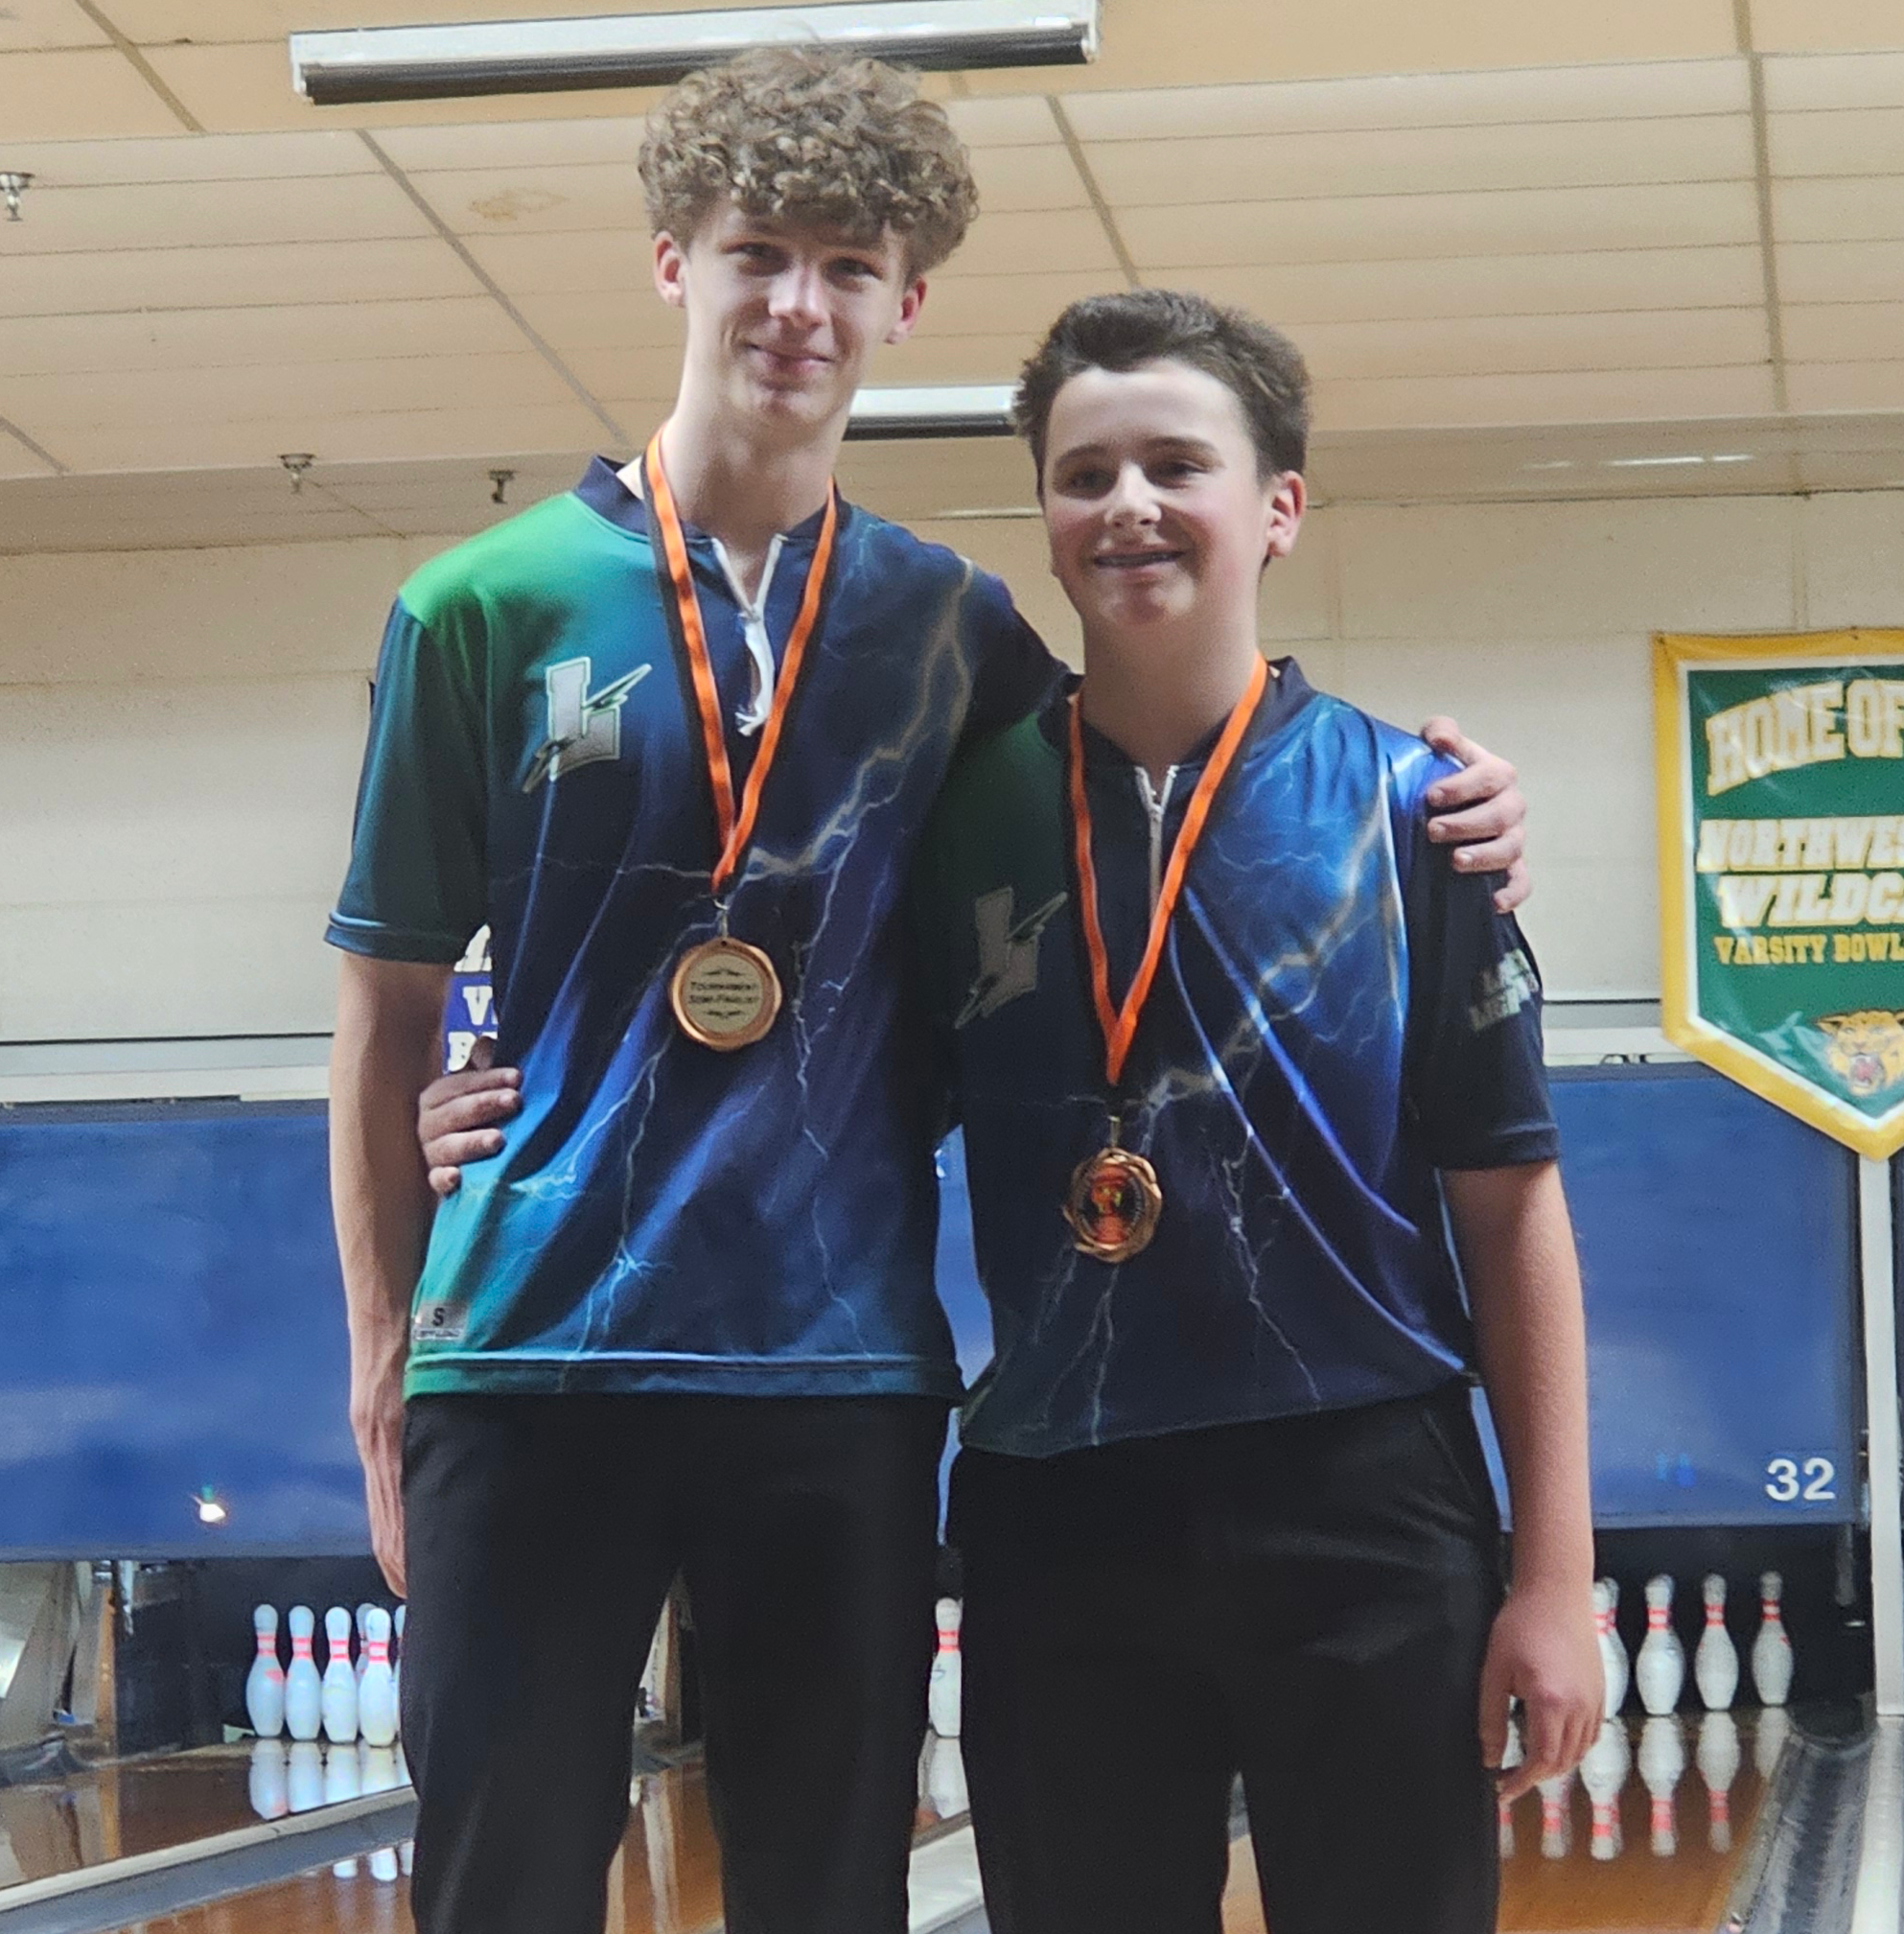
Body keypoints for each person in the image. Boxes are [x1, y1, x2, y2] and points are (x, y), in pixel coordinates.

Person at [350, 47, 1530, 1934]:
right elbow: (388, 1014)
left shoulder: (953, 631)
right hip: (530, 1358)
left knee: (831, 1904)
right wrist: (379, 1340)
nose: (796, 303)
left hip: (848, 1378)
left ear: (907, 303)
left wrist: (1442, 809)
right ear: (676, 265)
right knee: (497, 1896)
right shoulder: (478, 609)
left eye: (845, 264)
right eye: (759, 254)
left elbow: (1165, 801)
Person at [910, 289, 1602, 1933]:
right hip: (1055, 1504)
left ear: (1275, 508)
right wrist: (480, 1107)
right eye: (1084, 474)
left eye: (1175, 463)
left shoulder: (1411, 813)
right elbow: (799, 1108)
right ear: (1045, 516)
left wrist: (1554, 1577)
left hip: (1363, 1498)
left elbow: (1508, 1206)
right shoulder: (951, 821)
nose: (1126, 506)